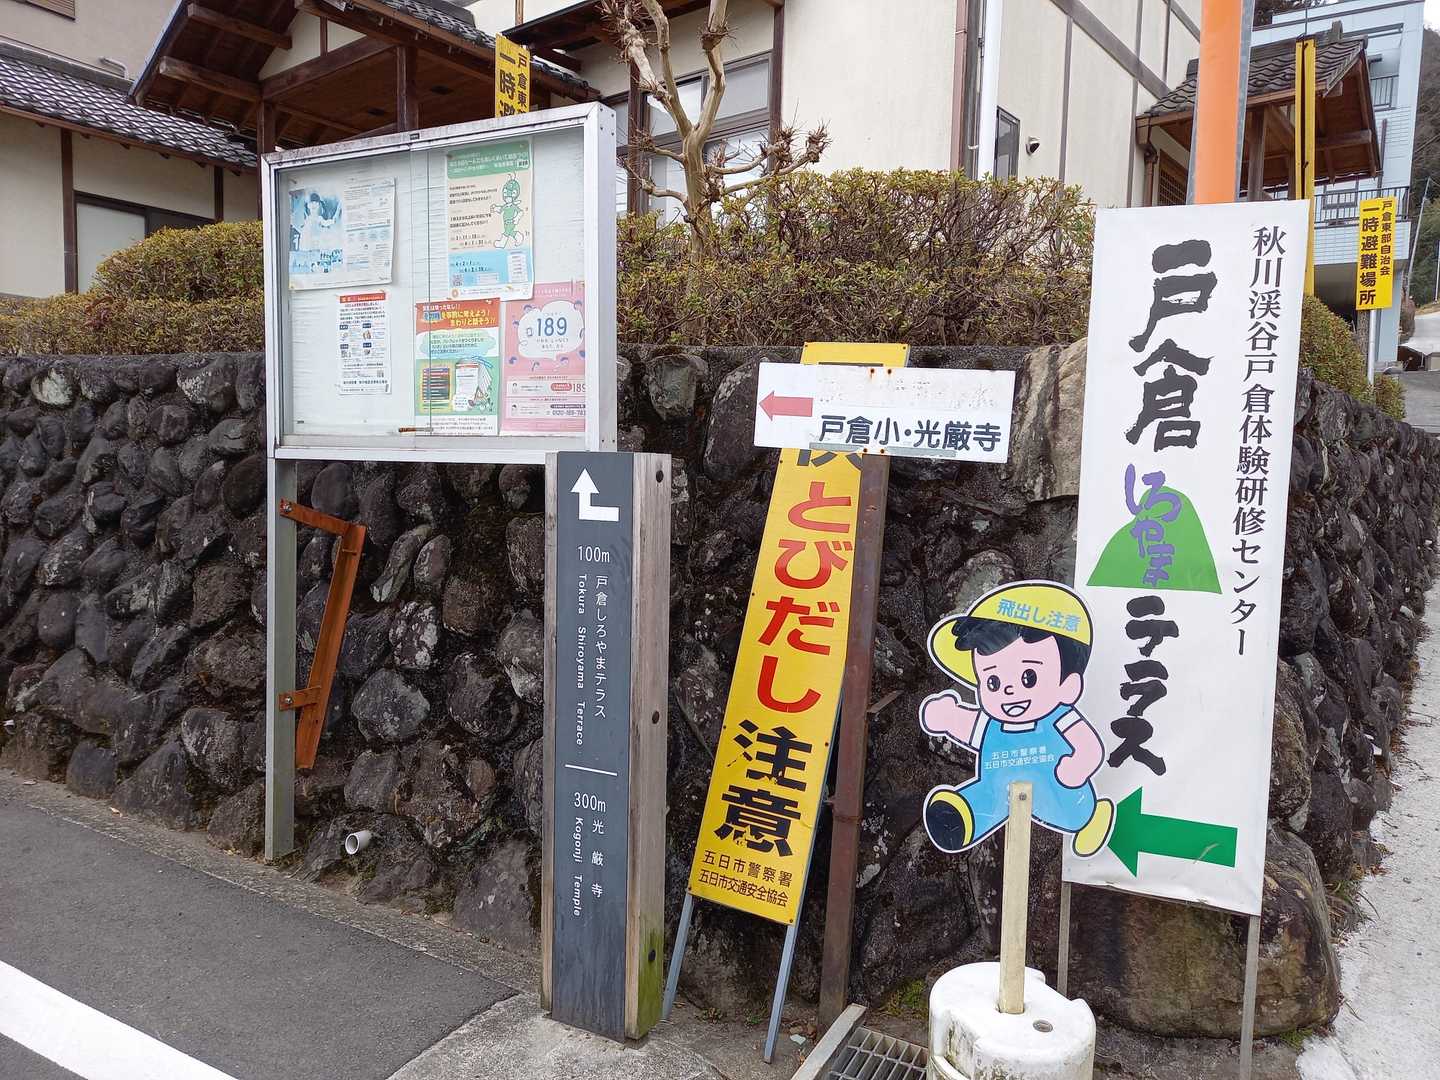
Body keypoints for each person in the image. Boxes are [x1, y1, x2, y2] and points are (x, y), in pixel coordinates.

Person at [919, 581, 1114, 857]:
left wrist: (1078, 767)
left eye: (1028, 677)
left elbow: (1089, 747)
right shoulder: (992, 725)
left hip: (1061, 791)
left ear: (1068, 686)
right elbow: (970, 725)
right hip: (1001, 788)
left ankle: (1091, 819)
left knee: (1074, 812)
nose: (1008, 690)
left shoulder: (1061, 719)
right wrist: (949, 718)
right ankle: (960, 819)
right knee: (988, 797)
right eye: (993, 682)